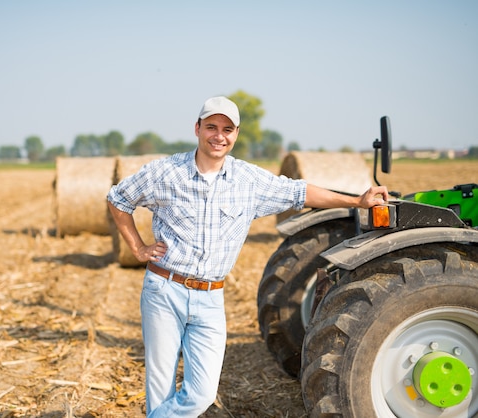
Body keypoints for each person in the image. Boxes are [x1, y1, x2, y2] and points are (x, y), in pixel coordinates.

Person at [107, 96, 389, 417]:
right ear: (197, 128)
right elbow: (118, 198)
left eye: (227, 129)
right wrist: (137, 248)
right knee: (160, 388)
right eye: (211, 127)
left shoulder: (249, 180)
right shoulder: (165, 172)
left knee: (201, 394)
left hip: (210, 298)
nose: (219, 135)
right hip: (163, 289)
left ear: (236, 134)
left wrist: (357, 201)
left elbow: (301, 192)